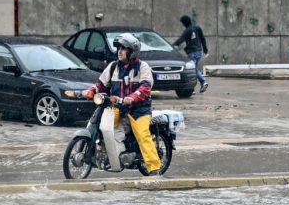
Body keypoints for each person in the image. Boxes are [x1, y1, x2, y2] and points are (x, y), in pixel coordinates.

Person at [82, 33, 162, 176]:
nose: (120, 51)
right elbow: (101, 84)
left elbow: (145, 87)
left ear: (132, 51)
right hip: (117, 107)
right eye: (119, 48)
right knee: (103, 126)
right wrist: (91, 90)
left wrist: (132, 97)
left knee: (143, 135)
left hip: (139, 110)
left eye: (124, 48)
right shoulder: (113, 67)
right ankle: (112, 152)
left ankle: (154, 168)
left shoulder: (143, 67)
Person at [173, 15, 209, 93]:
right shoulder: (197, 28)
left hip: (192, 52)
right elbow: (203, 39)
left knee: (192, 70)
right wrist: (205, 50)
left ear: (185, 23)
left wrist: (172, 46)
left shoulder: (187, 31)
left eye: (183, 23)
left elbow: (180, 40)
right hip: (199, 51)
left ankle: (203, 82)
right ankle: (192, 88)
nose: (183, 25)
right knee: (194, 69)